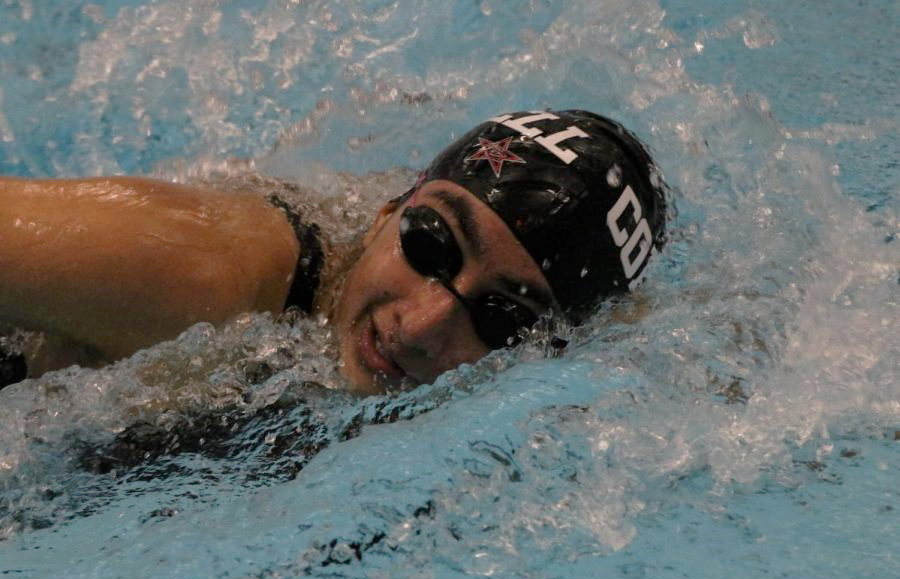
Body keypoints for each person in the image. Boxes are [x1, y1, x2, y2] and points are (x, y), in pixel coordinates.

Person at [0, 109, 666, 394]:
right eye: (429, 246)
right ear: (387, 213)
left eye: (502, 318)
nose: (425, 327)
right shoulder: (202, 274)